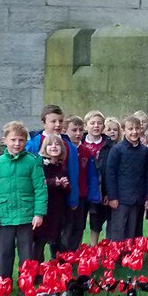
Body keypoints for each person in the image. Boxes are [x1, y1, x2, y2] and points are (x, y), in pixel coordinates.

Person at [0, 121, 47, 280]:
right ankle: (4, 284)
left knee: (26, 254)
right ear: (5, 140)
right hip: (4, 217)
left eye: (21, 140)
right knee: (5, 252)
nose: (17, 143)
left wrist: (39, 213)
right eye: (13, 140)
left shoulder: (32, 162)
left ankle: (25, 284)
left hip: (26, 216)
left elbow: (40, 188)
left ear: (26, 142)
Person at [105, 116, 148, 242]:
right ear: (124, 130)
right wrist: (112, 197)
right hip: (121, 198)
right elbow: (110, 175)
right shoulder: (116, 150)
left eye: (137, 128)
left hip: (139, 197)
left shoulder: (145, 151)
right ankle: (117, 257)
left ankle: (133, 258)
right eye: (130, 129)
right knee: (119, 228)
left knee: (135, 229)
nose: (134, 132)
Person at [62, 115, 100, 252]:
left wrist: (93, 196)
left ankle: (74, 254)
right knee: (66, 227)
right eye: (74, 130)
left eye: (80, 130)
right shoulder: (62, 148)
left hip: (81, 196)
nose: (78, 134)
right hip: (66, 196)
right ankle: (61, 256)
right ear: (65, 130)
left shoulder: (86, 151)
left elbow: (91, 176)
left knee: (79, 226)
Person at [33, 135, 70, 261]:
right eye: (50, 144)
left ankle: (57, 266)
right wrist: (54, 182)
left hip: (57, 209)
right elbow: (39, 183)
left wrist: (65, 185)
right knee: (40, 241)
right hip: (44, 208)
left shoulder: (61, 166)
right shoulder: (41, 165)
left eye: (57, 144)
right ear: (45, 148)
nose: (54, 146)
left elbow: (66, 190)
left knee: (56, 238)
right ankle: (35, 268)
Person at [83, 111, 114, 245]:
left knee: (97, 222)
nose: (96, 126)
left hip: (103, 190)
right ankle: (76, 253)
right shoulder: (81, 143)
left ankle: (96, 250)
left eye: (99, 123)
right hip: (84, 188)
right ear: (86, 126)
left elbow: (112, 171)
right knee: (79, 223)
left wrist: (109, 193)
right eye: (92, 123)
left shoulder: (110, 145)